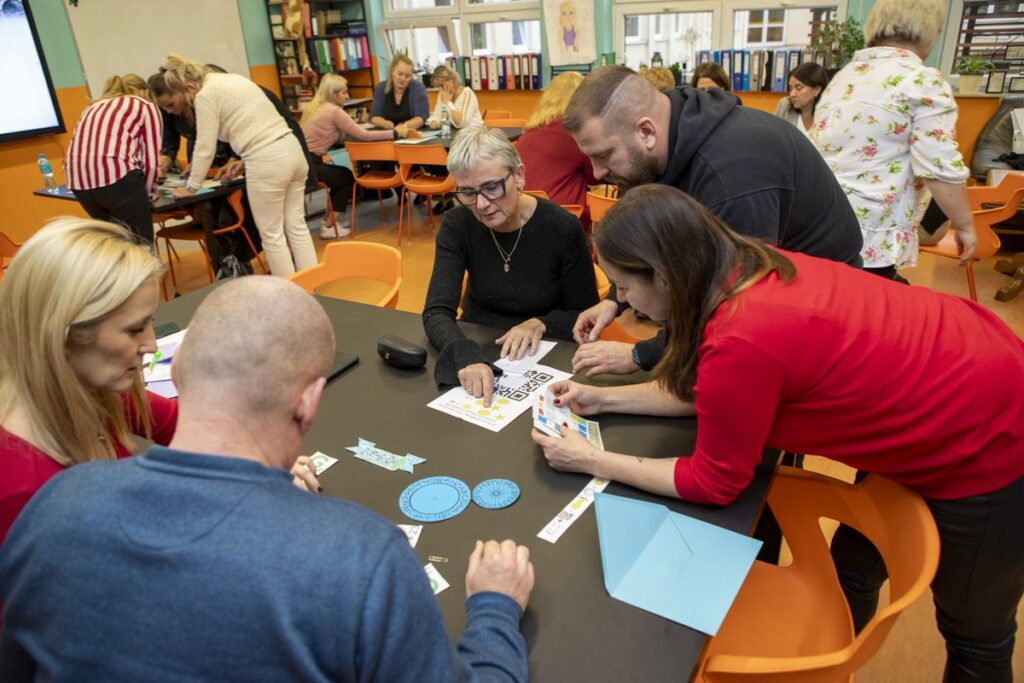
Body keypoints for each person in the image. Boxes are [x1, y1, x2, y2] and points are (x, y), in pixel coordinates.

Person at [531, 184, 1024, 683]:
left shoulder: (743, 333)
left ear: (662, 274)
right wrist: (605, 397)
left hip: (990, 431)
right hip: (948, 372)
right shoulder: (738, 263)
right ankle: (820, 668)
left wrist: (591, 459)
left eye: (624, 286)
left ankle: (824, 663)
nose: (622, 299)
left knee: (975, 635)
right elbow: (719, 391)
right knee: (852, 569)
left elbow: (715, 482)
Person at [0, 276, 535, 681]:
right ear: (310, 402)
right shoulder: (363, 558)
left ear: (176, 370)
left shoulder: (51, 507)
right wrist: (493, 610)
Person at [562, 65, 862, 376]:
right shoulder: (665, 131)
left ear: (647, 132)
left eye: (604, 154)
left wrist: (641, 354)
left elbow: (730, 307)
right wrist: (616, 299)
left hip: (827, 313)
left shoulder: (731, 178)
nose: (596, 173)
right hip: (770, 289)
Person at [0, 218, 175, 546]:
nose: (151, 345)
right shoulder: (21, 489)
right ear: (62, 337)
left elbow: (181, 423)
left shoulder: (91, 389)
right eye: (134, 329)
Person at [422, 126, 599, 405]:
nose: (481, 204)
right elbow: (436, 311)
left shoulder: (562, 228)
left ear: (519, 176)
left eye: (492, 187)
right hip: (478, 345)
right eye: (468, 192)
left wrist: (541, 323)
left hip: (546, 353)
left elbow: (586, 314)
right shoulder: (458, 224)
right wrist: (465, 353)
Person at [812, 0, 976, 283]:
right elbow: (938, 167)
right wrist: (966, 225)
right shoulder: (921, 80)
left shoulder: (844, 78)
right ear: (928, 31)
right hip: (871, 233)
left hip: (823, 222)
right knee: (875, 311)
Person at [162, 54, 317, 276]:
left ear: (189, 86)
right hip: (293, 151)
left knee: (272, 235)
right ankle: (311, 283)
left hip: (266, 160)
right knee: (297, 227)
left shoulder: (205, 95)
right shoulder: (234, 79)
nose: (175, 109)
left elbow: (205, 147)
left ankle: (290, 293)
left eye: (176, 101)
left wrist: (191, 187)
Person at [64, 74, 162, 244]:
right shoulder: (144, 106)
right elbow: (152, 162)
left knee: (115, 245)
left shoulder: (92, 107)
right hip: (118, 177)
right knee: (140, 247)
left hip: (79, 182)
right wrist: (149, 194)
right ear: (146, 92)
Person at [301, 73, 395, 239]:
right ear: (333, 94)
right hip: (311, 164)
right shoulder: (334, 111)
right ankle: (329, 226)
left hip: (304, 162)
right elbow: (363, 135)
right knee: (346, 178)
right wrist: (393, 133)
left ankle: (328, 221)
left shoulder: (316, 107)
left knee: (339, 177)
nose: (347, 96)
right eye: (344, 93)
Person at [516, 71, 598, 232]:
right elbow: (595, 176)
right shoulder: (572, 132)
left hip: (524, 216)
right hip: (564, 218)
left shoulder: (531, 129)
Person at [370, 54, 429, 138]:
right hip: (388, 135)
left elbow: (421, 118)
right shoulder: (380, 88)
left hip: (412, 135)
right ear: (392, 71)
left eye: (407, 76)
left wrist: (404, 126)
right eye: (400, 74)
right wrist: (384, 123)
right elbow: (374, 117)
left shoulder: (418, 88)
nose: (403, 78)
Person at [774, 62, 829, 135]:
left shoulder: (829, 113)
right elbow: (774, 136)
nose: (792, 94)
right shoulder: (785, 105)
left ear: (817, 90)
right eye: (790, 88)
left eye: (798, 88)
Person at [427, 65, 482, 131]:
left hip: (473, 135)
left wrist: (448, 103)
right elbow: (437, 116)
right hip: (455, 134)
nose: (440, 89)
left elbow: (461, 123)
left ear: (452, 79)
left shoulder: (467, 93)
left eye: (441, 85)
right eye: (438, 86)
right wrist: (434, 122)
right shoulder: (442, 93)